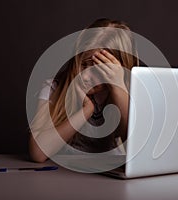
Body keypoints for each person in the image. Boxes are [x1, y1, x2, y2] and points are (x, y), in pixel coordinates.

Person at [28, 18, 139, 163]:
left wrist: (117, 87)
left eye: (98, 70)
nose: (85, 76)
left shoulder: (130, 93)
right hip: (63, 177)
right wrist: (86, 110)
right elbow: (38, 153)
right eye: (84, 64)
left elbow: (139, 149)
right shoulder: (53, 89)